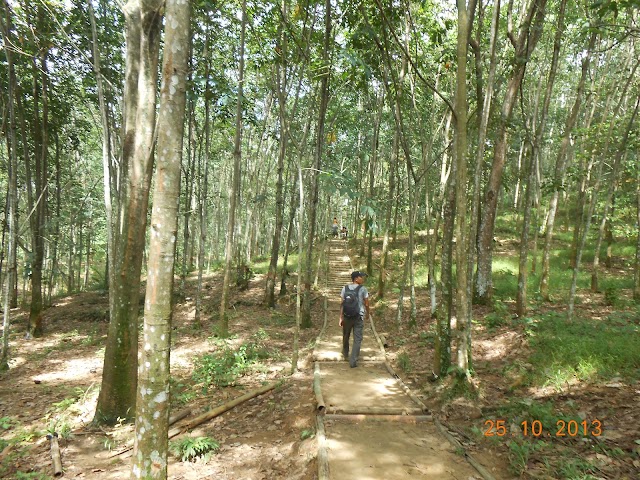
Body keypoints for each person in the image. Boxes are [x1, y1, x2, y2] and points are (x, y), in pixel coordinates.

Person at [339, 271, 370, 368]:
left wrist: (341, 317)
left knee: (346, 335)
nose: (363, 279)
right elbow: (367, 303)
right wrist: (368, 313)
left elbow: (342, 304)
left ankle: (345, 353)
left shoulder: (345, 288)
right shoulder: (363, 289)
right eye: (361, 277)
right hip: (358, 317)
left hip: (347, 316)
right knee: (358, 339)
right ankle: (353, 361)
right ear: (356, 279)